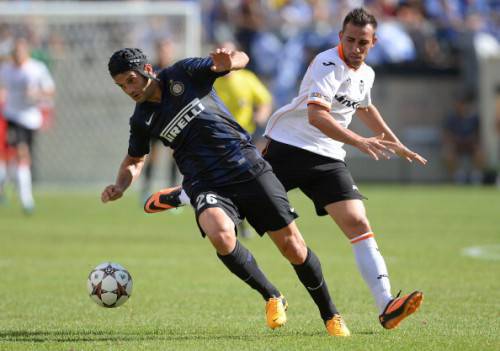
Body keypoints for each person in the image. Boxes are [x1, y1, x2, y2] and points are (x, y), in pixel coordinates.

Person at [147, 8, 426, 330]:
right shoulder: (327, 63)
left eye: (363, 42)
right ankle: (185, 193)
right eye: (349, 40)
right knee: (235, 193)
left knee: (358, 221)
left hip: (328, 158)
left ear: (374, 42)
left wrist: (395, 143)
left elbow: (365, 106)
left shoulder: (367, 74)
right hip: (290, 148)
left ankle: (386, 304)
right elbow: (317, 117)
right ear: (340, 38)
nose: (355, 47)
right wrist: (362, 142)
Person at [102, 47, 350, 336]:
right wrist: (120, 185)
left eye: (130, 80)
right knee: (220, 234)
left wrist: (229, 61)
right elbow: (134, 160)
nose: (128, 90)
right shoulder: (141, 119)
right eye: (121, 86)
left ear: (146, 71)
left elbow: (242, 59)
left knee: (292, 247)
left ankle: (331, 315)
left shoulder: (183, 73)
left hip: (245, 165)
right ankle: (272, 295)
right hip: (204, 180)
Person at [213, 40, 273, 238]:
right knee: (226, 183)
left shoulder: (246, 78)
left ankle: (245, 221)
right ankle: (236, 221)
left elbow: (264, 101)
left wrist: (261, 116)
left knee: (245, 181)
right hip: (218, 139)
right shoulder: (211, 80)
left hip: (243, 139)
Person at [0, 37, 55, 214]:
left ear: (27, 52)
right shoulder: (6, 69)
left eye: (20, 52)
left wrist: (37, 93)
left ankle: (10, 187)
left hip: (30, 118)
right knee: (20, 153)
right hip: (12, 117)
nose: (17, 55)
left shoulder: (37, 69)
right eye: (14, 52)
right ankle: (26, 200)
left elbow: (50, 90)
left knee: (22, 158)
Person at [140, 38, 180, 202]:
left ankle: (172, 195)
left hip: (174, 121)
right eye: (162, 49)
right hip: (156, 121)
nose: (165, 53)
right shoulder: (151, 70)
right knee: (153, 156)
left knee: (175, 156)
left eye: (168, 49)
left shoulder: (177, 71)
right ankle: (146, 191)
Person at [442, 95, 484, 184]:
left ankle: (476, 176)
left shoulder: (473, 118)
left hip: (471, 145)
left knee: (480, 153)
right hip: (457, 145)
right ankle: (458, 175)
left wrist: (474, 142)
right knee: (448, 154)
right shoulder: (451, 118)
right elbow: (448, 135)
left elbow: (477, 134)